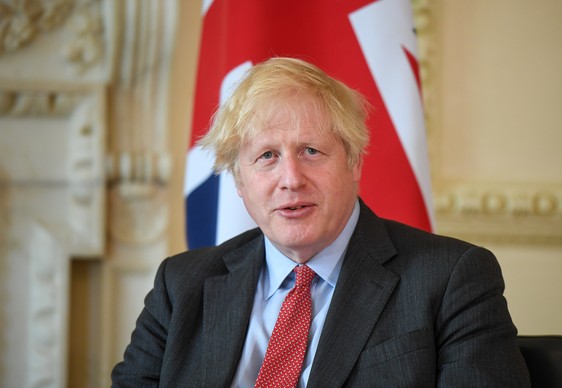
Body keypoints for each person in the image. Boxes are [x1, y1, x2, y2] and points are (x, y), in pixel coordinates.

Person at [111, 57, 530, 387]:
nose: (290, 179)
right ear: (240, 182)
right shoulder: (182, 285)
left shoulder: (451, 278)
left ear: (353, 163)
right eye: (267, 156)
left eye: (311, 150)